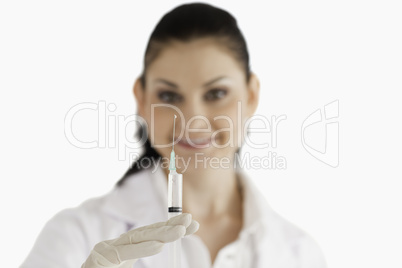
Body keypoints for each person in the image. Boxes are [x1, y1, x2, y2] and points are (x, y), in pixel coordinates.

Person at [20, 3, 327, 268]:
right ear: (141, 98)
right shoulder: (75, 235)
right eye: (168, 95)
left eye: (216, 93)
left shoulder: (299, 253)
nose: (192, 123)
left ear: (250, 95)